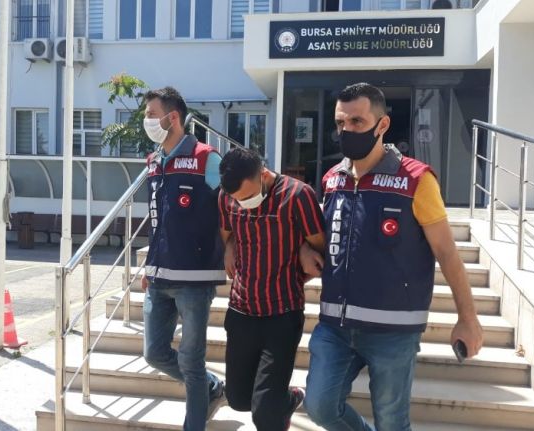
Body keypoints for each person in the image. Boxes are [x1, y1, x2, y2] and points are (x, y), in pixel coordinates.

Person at [300, 82, 484, 431]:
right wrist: (305, 249)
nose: (346, 130)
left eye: (356, 121)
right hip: (335, 327)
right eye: (340, 122)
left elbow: (446, 253)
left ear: (382, 125)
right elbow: (330, 240)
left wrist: (468, 318)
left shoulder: (417, 180)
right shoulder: (332, 179)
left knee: (391, 423)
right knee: (320, 407)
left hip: (394, 332)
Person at [218, 147, 325, 431]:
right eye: (238, 200)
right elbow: (227, 233)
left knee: (265, 414)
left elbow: (320, 247)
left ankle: (278, 404)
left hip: (282, 312)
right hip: (241, 311)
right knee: (238, 398)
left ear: (264, 175)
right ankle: (287, 400)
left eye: (249, 197)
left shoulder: (298, 195)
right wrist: (229, 246)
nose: (244, 204)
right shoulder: (226, 197)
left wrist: (303, 250)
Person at [140, 86, 225, 431]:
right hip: (158, 277)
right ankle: (212, 387)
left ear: (172, 117)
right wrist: (149, 265)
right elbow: (157, 219)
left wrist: (232, 250)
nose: (147, 121)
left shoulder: (207, 159)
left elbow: (231, 208)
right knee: (154, 353)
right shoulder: (154, 161)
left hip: (195, 279)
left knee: (191, 361)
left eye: (151, 114)